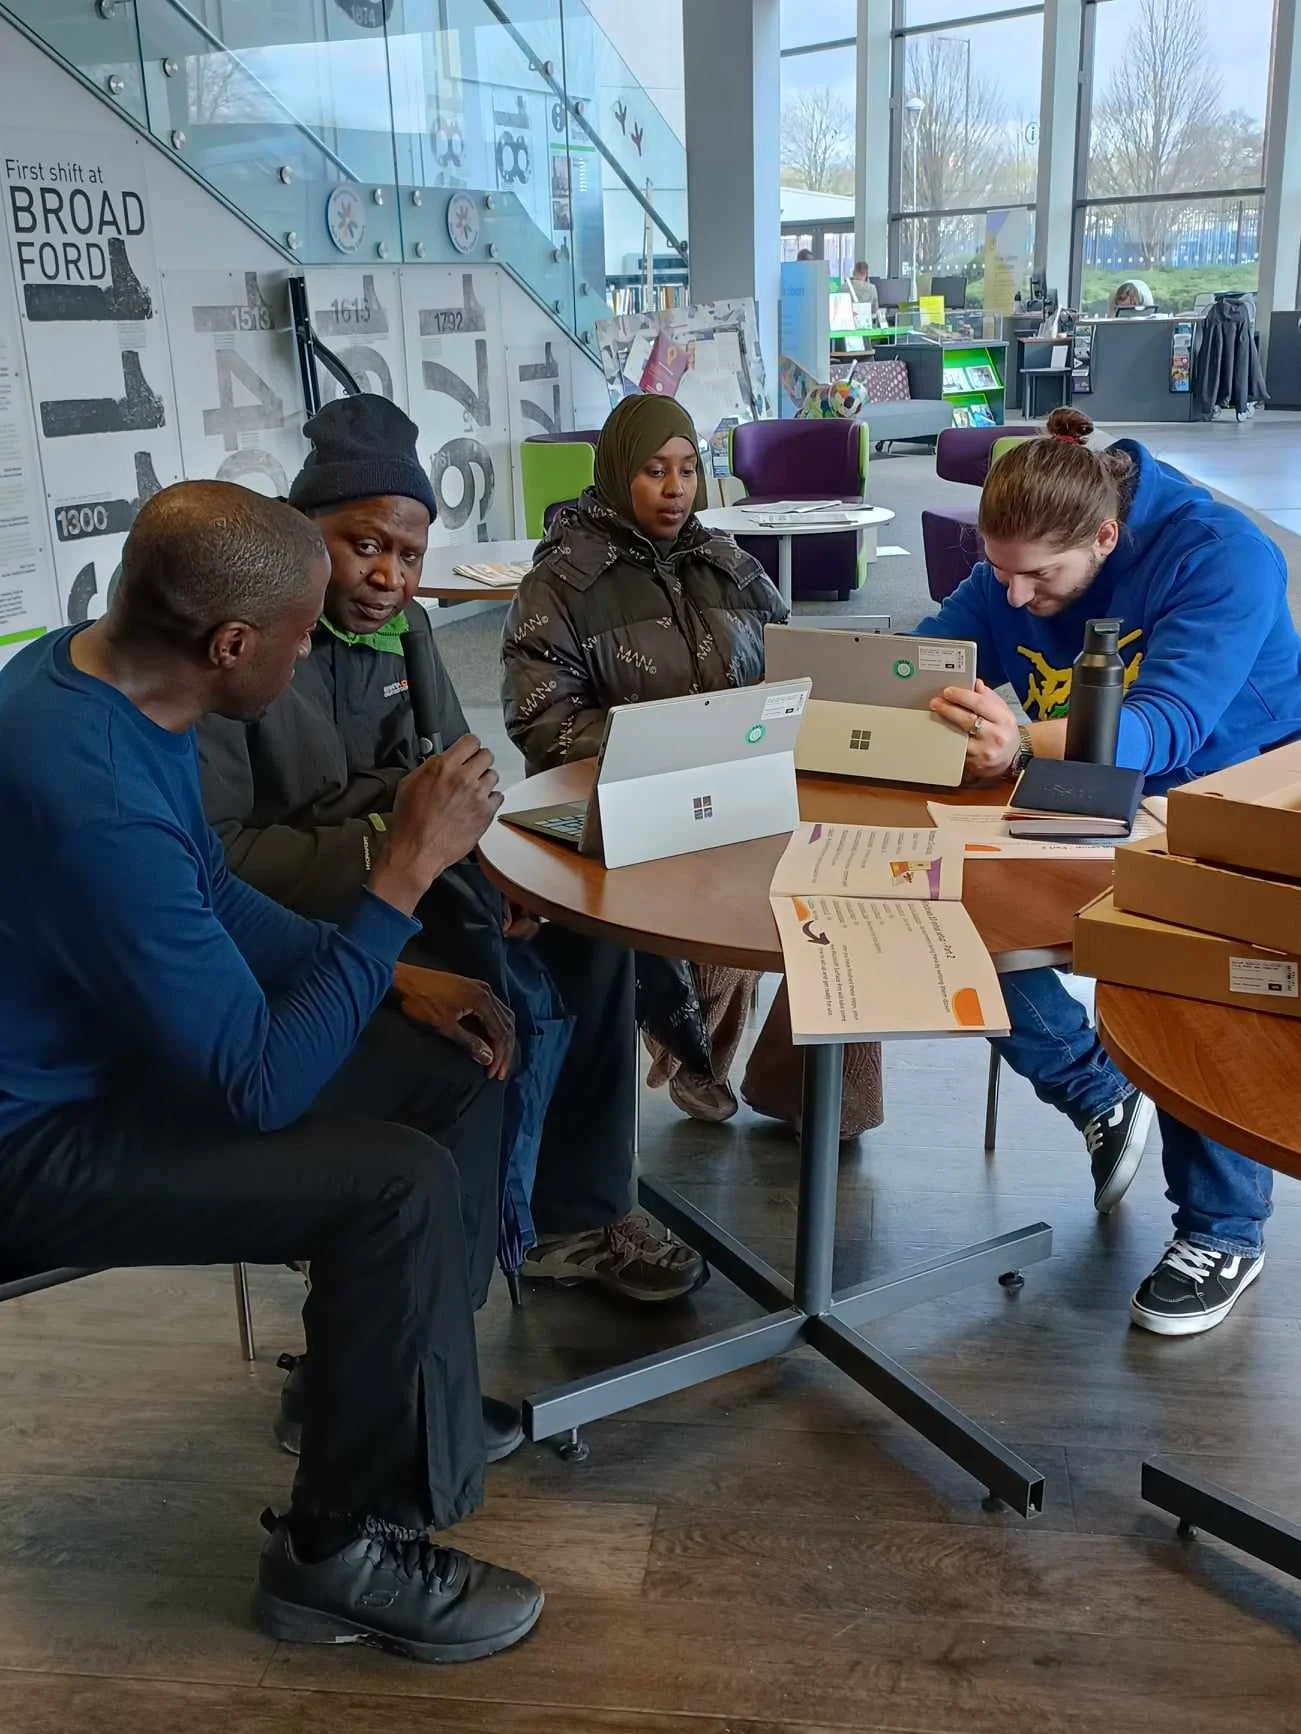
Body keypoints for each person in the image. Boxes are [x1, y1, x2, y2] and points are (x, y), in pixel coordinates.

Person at [0, 481, 545, 1662]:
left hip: (112, 1052)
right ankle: (332, 1553)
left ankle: (398, 1406)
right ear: (232, 645)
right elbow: (256, 1087)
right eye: (303, 638)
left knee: (445, 1063)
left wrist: (394, 974)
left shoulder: (82, 672)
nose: (310, 657)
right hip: (36, 1141)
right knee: (389, 1186)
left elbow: (208, 888)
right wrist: (399, 877)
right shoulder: (90, 789)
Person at [197, 395, 702, 1309]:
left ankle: (574, 1216)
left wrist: (488, 866)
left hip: (419, 882)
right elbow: (221, 856)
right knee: (475, 1016)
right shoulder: (249, 650)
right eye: (364, 545)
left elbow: (459, 772)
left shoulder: (408, 632)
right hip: (309, 923)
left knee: (587, 933)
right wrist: (400, 848)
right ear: (301, 540)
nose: (389, 575)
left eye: (409, 555)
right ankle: (433, 1273)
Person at [916, 405, 1301, 1336]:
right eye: (996, 570)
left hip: (1230, 799)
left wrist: (1012, 750)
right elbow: (923, 656)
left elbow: (1169, 723)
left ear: (1105, 534)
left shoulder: (1222, 557)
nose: (1012, 598)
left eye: (1038, 577)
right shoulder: (1016, 567)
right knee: (931, 906)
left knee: (1184, 970)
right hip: (1071, 785)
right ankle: (1098, 1089)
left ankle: (1224, 1231)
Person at [501, 395, 884, 1140]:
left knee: (852, 882)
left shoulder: (733, 570)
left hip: (747, 792)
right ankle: (696, 1055)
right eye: (653, 470)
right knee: (723, 909)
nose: (675, 488)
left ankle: (815, 1094)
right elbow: (543, 726)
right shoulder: (559, 586)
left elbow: (791, 677)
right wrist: (675, 744)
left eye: (686, 469)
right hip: (631, 808)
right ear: (618, 473)